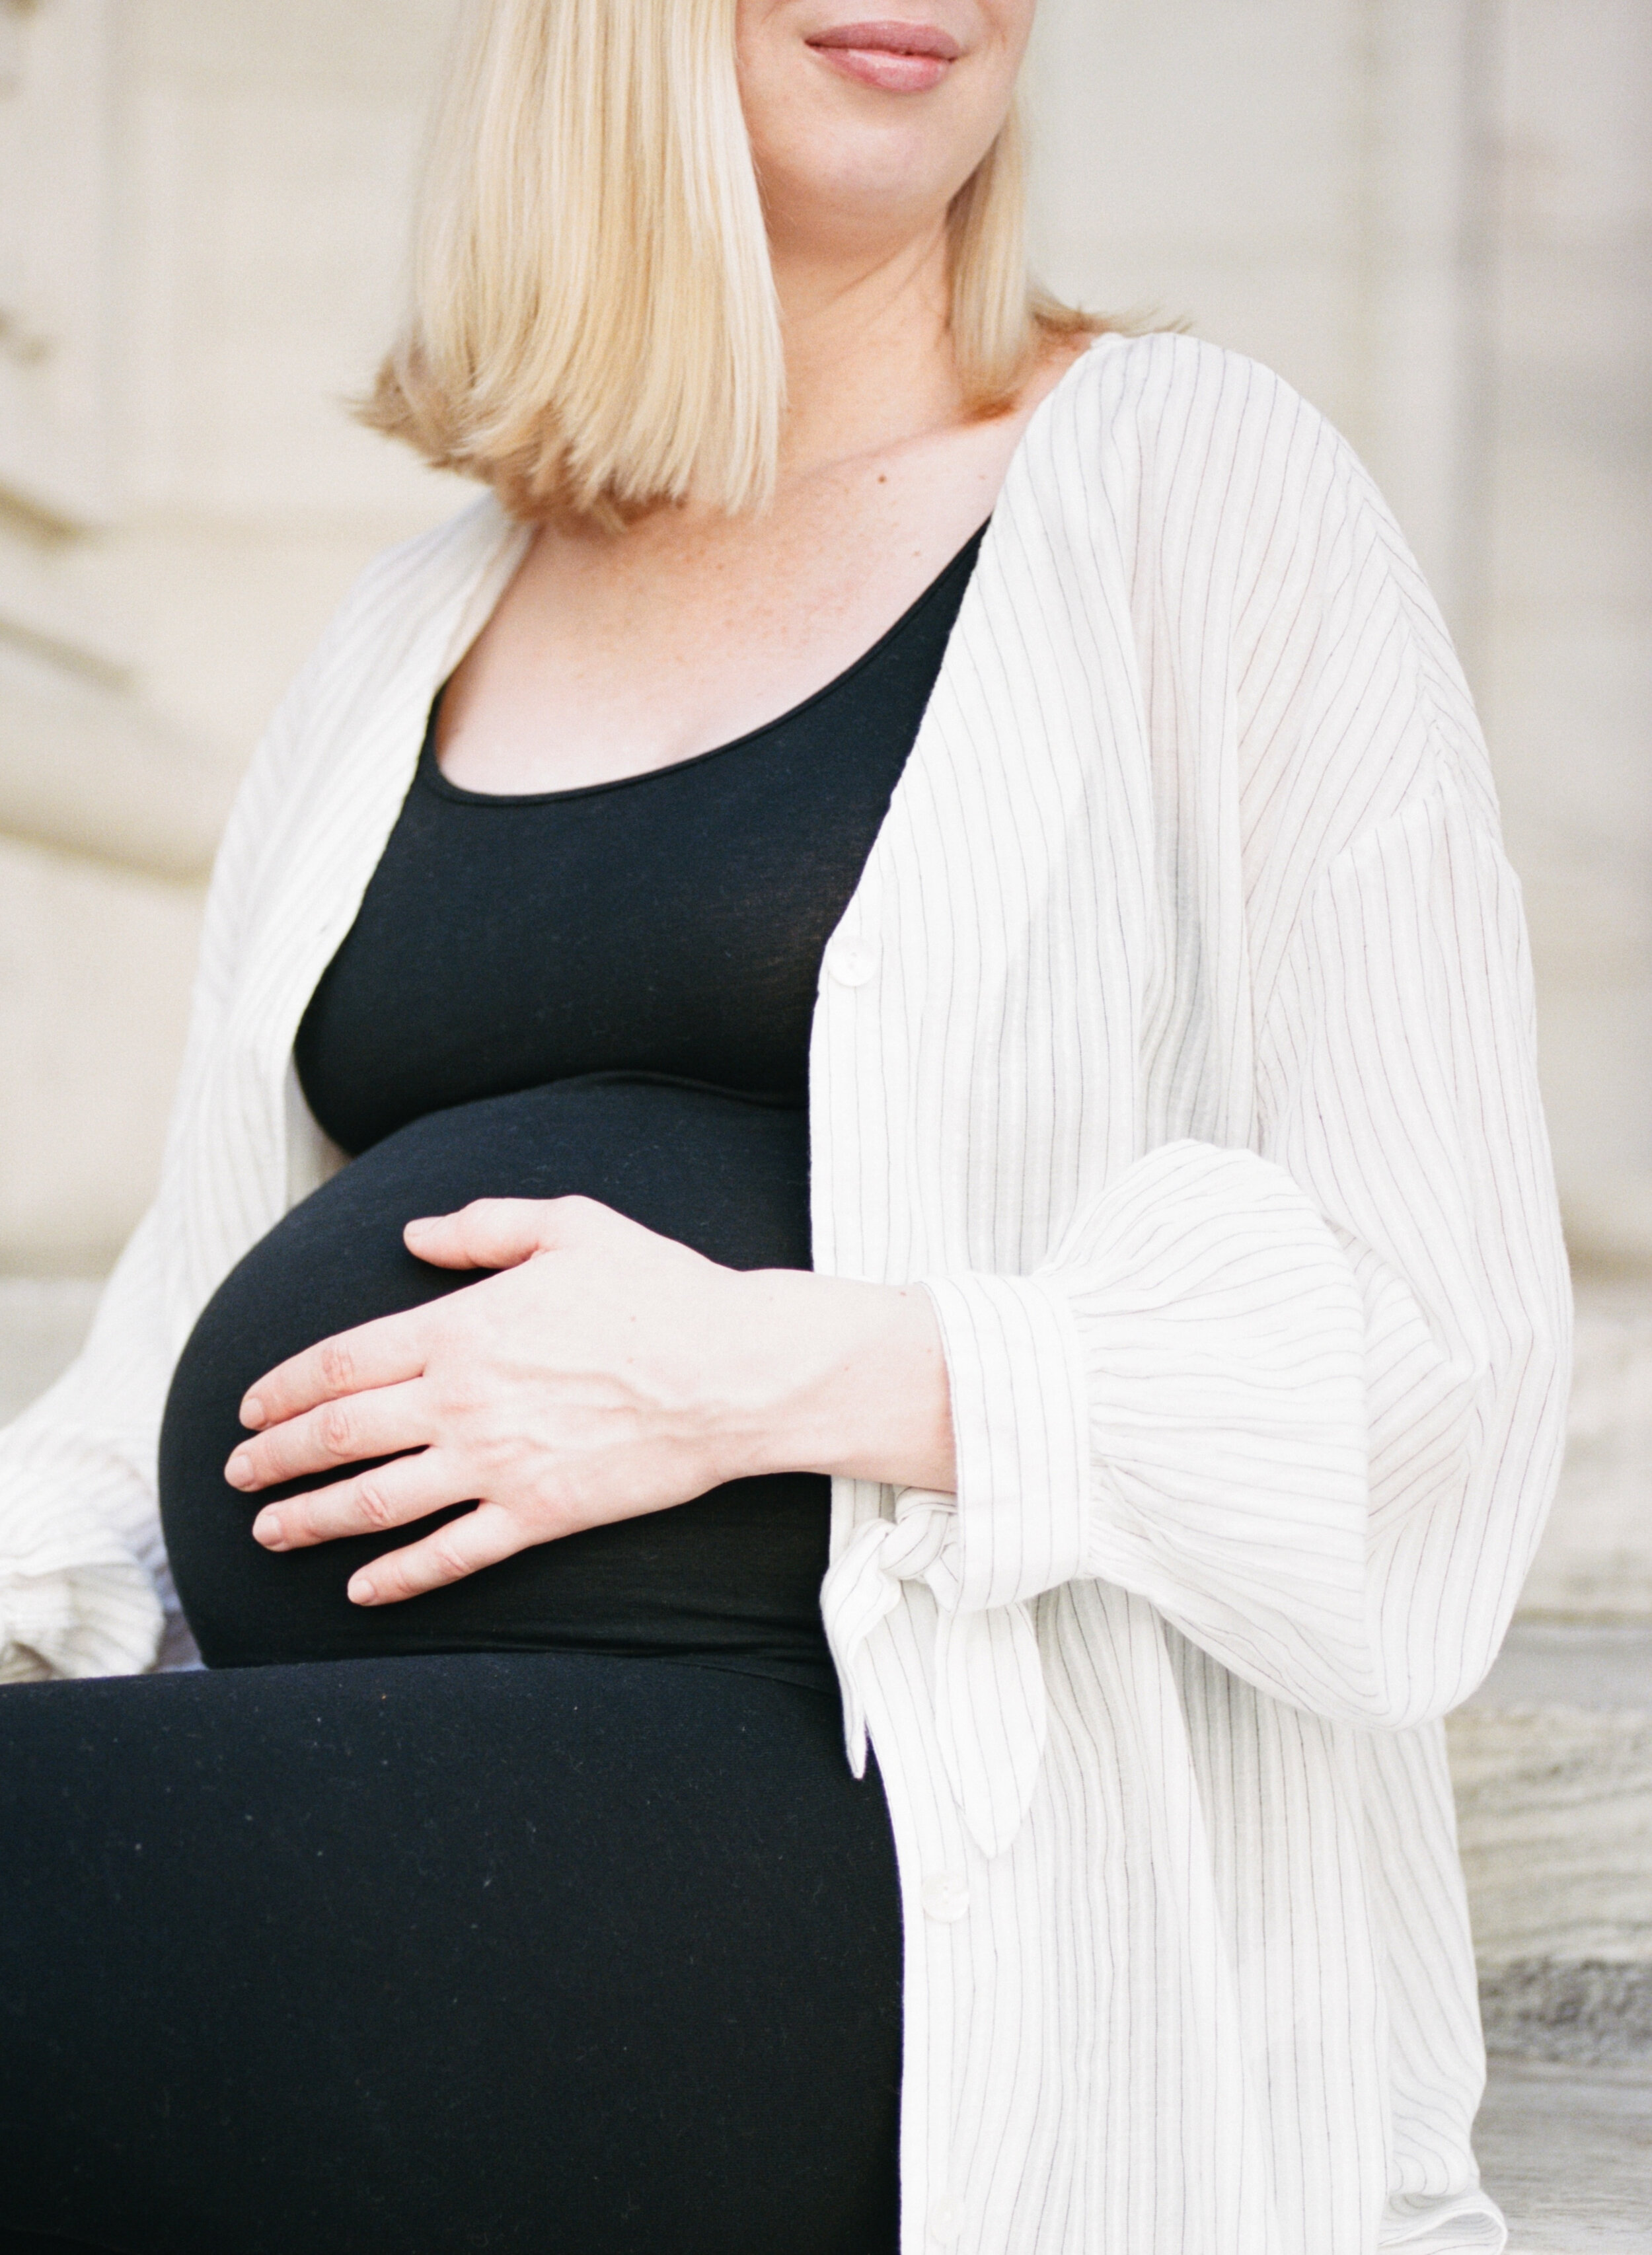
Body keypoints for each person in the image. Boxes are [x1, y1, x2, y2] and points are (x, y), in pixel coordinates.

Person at [0, 2, 1570, 2251]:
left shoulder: (1188, 491)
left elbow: (1440, 1374)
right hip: (416, 1774)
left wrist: (754, 1368)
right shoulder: (413, 623)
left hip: (904, 1832)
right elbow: (167, 1336)